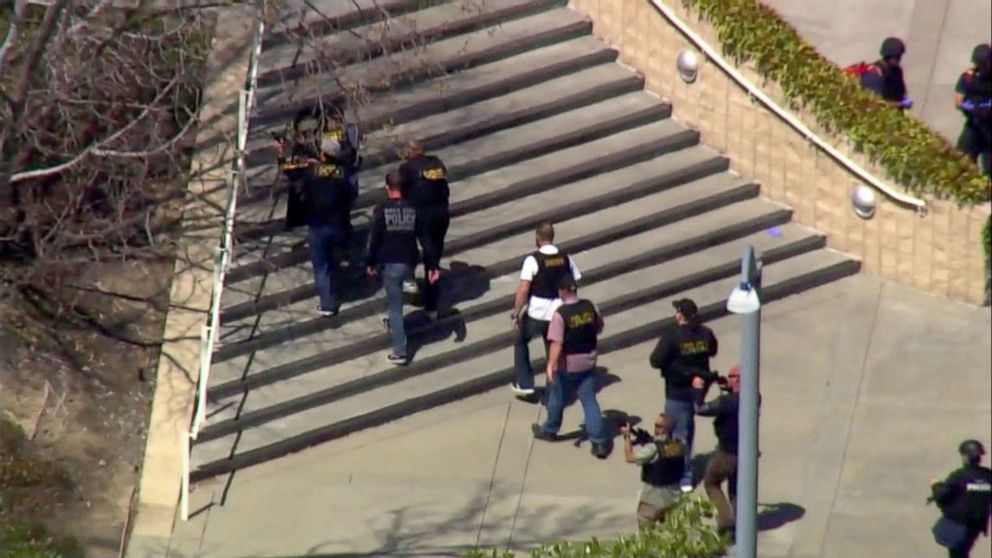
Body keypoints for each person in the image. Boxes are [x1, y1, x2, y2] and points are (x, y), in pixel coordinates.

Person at [531, 275, 610, 458]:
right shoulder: (591, 307)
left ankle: (549, 430)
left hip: (567, 365)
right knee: (589, 400)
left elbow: (556, 344)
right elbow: (599, 326)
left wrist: (550, 365)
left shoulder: (560, 315)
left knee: (557, 397)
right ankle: (599, 442)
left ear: (563, 291)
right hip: (589, 361)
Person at [275, 135, 355, 316]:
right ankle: (337, 289)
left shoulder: (311, 171)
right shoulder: (344, 172)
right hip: (338, 225)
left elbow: (288, 171)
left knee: (321, 266)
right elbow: (351, 193)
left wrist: (281, 153)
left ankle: (328, 304)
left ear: (323, 154)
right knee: (333, 260)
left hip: (318, 226)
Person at [649, 298, 719, 492]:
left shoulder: (672, 335)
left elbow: (655, 360)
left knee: (677, 435)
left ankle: (682, 475)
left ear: (680, 314)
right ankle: (676, 471)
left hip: (677, 390)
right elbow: (713, 350)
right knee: (684, 430)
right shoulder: (706, 333)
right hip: (699, 388)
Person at [366, 171, 434, 365]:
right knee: (406, 286)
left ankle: (400, 350)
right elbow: (424, 236)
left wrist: (370, 263)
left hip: (390, 262)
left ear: (388, 188)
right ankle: (411, 291)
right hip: (409, 260)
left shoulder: (382, 209)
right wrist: (432, 263)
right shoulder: (413, 208)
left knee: (395, 307)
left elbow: (375, 239)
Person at [510, 223, 581, 396]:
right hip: (558, 313)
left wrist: (516, 312)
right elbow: (575, 282)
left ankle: (525, 383)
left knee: (520, 341)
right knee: (553, 351)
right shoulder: (565, 258)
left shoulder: (533, 260)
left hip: (537, 313)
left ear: (537, 238)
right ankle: (553, 391)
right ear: (552, 236)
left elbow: (524, 288)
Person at [398, 141, 450, 318]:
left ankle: (411, 286)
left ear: (409, 153)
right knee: (432, 259)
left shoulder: (406, 169)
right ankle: (432, 305)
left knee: (408, 250)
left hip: (421, 217)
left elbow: (400, 191)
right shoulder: (436, 162)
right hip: (442, 215)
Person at [693, 365, 743, 540]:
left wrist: (699, 389)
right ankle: (742, 523)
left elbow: (700, 408)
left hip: (726, 453)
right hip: (745, 454)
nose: (728, 379)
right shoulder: (754, 398)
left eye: (731, 376)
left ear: (738, 379)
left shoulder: (728, 402)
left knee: (712, 483)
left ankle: (727, 523)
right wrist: (726, 389)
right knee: (736, 490)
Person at [622, 413, 686, 529]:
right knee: (671, 533)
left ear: (662, 429)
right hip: (674, 497)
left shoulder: (653, 448)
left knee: (645, 530)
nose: (655, 428)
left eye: (657, 426)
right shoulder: (679, 445)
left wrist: (627, 437)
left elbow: (630, 457)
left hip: (653, 499)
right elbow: (665, 449)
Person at [929, 439, 992, 557]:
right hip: (977, 524)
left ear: (965, 457)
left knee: (957, 553)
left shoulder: (959, 476)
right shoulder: (988, 476)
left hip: (958, 524)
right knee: (964, 551)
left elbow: (942, 495)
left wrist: (935, 485)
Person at [955, 43, 992, 179]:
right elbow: (958, 100)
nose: (981, 67)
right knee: (962, 160)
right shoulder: (968, 77)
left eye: (984, 64)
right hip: (974, 125)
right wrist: (968, 106)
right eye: (979, 64)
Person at [858, 37, 912, 109]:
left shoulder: (896, 71)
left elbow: (901, 93)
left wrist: (903, 101)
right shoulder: (872, 76)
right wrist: (900, 104)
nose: (899, 59)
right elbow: (873, 104)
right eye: (897, 56)